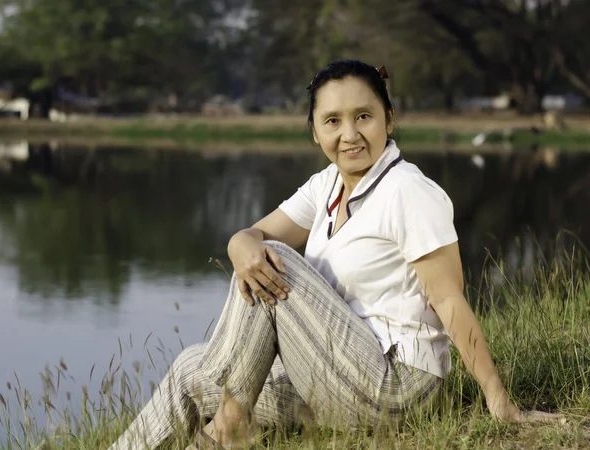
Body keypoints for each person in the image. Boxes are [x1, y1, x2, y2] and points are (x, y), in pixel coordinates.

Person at [107, 60, 561, 450]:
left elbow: (449, 301)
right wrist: (238, 242)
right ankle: (214, 421)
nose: (350, 134)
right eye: (333, 121)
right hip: (333, 372)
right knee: (191, 367)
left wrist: (499, 399)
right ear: (314, 131)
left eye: (364, 116)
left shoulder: (409, 192)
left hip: (397, 388)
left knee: (274, 258)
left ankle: (228, 424)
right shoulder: (326, 184)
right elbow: (253, 234)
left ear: (389, 118)